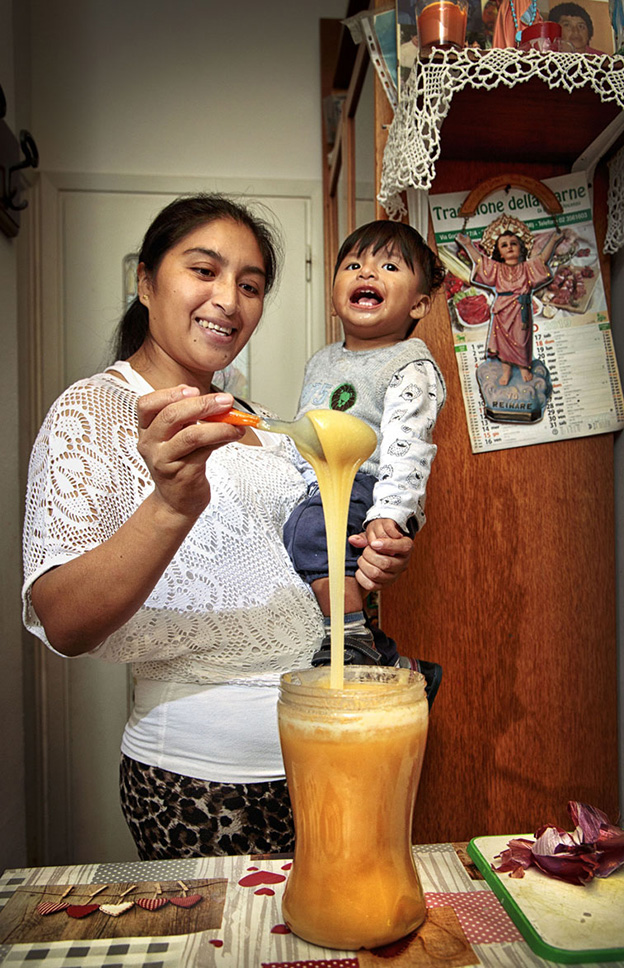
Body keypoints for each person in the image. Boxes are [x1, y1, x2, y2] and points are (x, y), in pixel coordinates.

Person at [21, 194, 414, 861]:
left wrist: (366, 559)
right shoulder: (92, 412)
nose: (229, 299)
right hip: (201, 780)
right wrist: (172, 504)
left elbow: (303, 570)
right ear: (145, 280)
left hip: (325, 756)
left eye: (251, 284)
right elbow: (63, 621)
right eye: (204, 271)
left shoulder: (261, 425)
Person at [283, 220, 446, 706]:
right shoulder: (322, 360)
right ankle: (397, 664)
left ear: (417, 304)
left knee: (313, 534)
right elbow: (306, 430)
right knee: (297, 537)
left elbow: (409, 446)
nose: (366, 272)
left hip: (367, 483)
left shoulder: (410, 364)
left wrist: (389, 518)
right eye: (353, 264)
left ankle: (350, 635)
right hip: (318, 483)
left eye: (389, 266)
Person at [456, 216, 559, 386]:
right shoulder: (497, 268)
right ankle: (506, 371)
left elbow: (542, 260)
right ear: (499, 252)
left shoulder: (526, 268)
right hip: (502, 310)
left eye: (513, 243)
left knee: (522, 338)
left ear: (521, 248)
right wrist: (467, 245)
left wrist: (554, 240)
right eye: (504, 245)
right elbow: (480, 262)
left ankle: (524, 367)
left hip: (521, 308)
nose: (509, 247)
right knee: (503, 343)